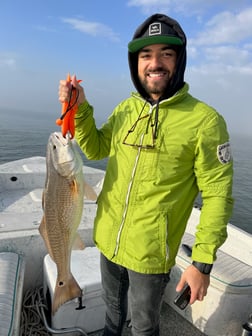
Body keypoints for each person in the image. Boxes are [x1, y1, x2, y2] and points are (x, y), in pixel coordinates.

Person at [59, 13, 233, 336]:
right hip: (109, 240)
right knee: (112, 316)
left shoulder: (206, 121)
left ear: (179, 60)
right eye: (146, 55)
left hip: (151, 255)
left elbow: (218, 196)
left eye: (166, 54)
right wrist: (80, 109)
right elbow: (96, 148)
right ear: (135, 63)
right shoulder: (127, 108)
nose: (155, 63)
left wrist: (201, 264)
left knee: (142, 325)